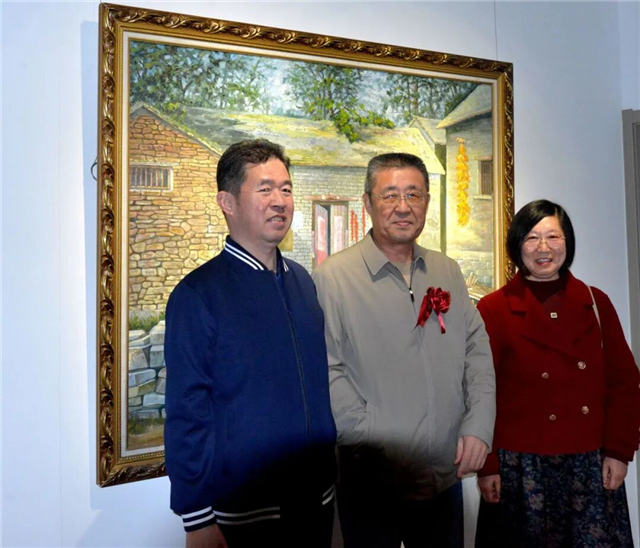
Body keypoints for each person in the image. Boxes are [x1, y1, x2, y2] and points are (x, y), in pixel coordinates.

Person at [312, 152, 496, 548]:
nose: (403, 207)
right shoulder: (333, 278)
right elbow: (327, 369)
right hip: (370, 481)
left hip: (443, 478)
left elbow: (476, 352)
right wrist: (372, 439)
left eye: (413, 194)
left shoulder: (447, 271)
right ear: (368, 202)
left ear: (427, 202)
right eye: (390, 195)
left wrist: (478, 427)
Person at [164, 139, 337, 548]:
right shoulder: (198, 294)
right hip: (245, 515)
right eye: (265, 189)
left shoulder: (302, 281)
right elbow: (187, 410)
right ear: (227, 202)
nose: (280, 201)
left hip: (317, 501)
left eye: (286, 189)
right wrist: (196, 517)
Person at [475, 199, 640, 548]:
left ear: (568, 242)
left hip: (589, 463)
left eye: (553, 237)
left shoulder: (596, 302)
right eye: (532, 238)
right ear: (517, 245)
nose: (544, 248)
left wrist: (619, 451)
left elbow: (624, 383)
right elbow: (480, 393)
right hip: (520, 467)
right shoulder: (493, 309)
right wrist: (487, 466)